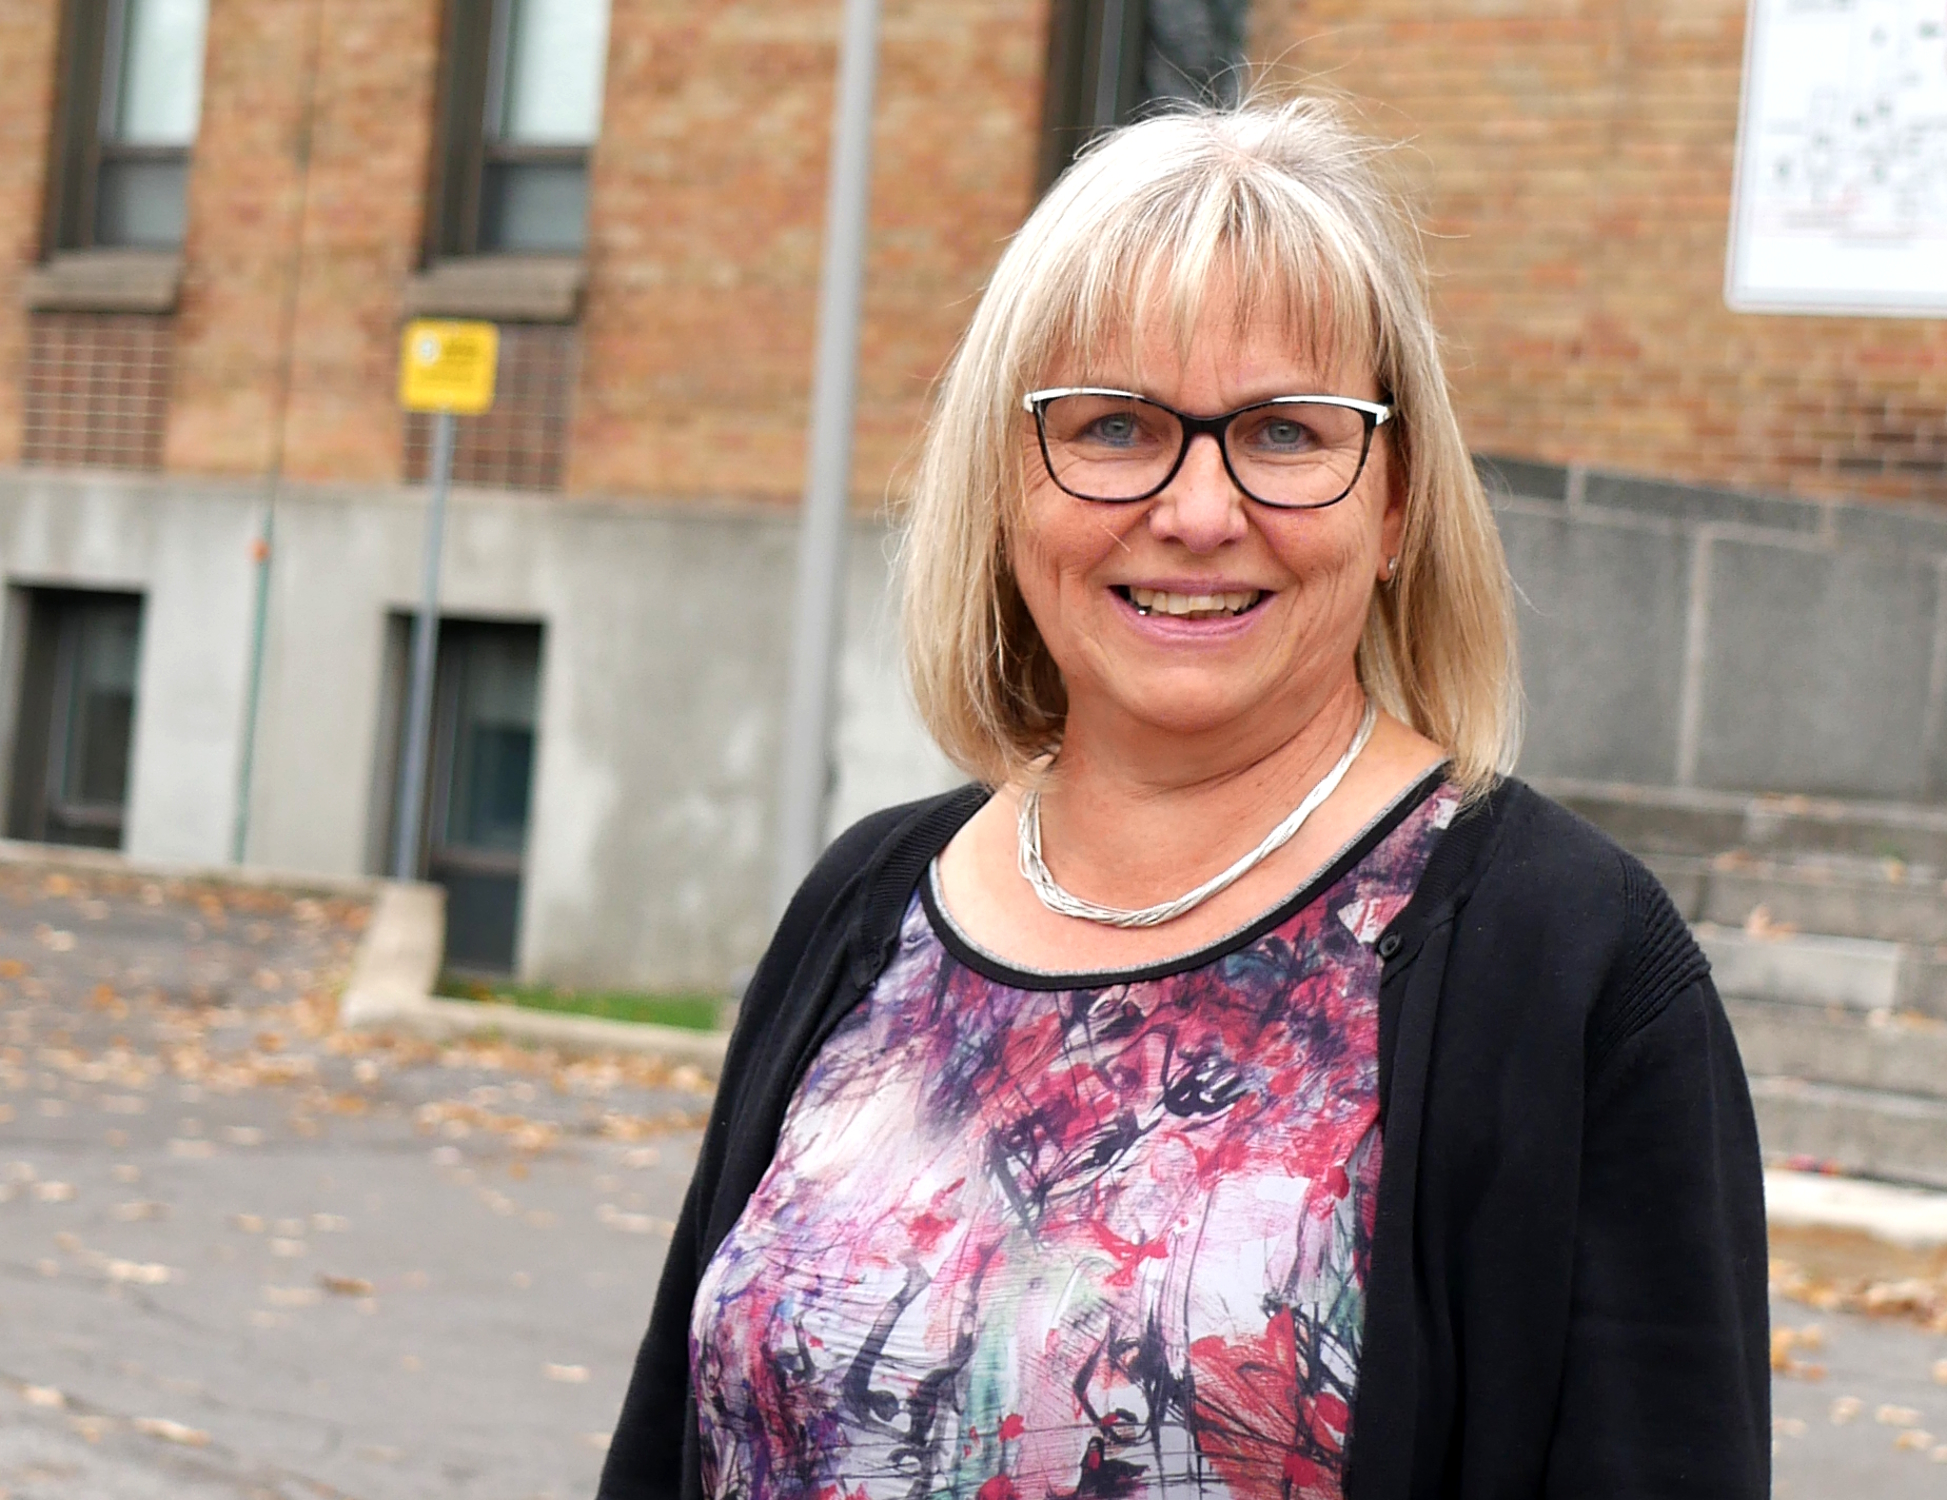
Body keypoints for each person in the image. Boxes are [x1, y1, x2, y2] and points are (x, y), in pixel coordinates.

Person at [599, 98, 1768, 1500]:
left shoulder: (1569, 964)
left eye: (1282, 433)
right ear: (1006, 490)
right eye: (1112, 426)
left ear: (1394, 505)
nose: (1200, 512)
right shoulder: (864, 910)